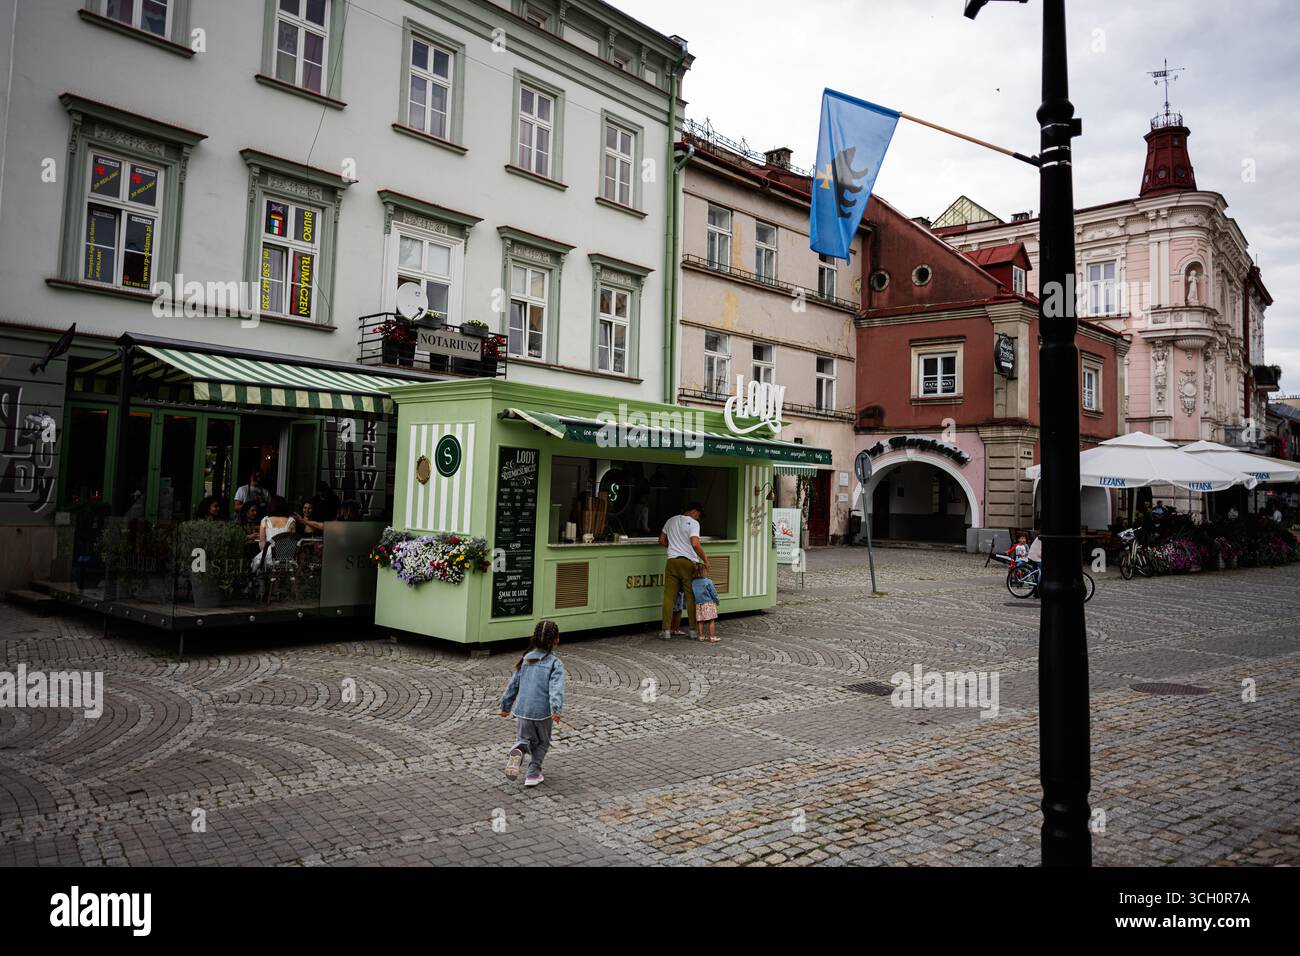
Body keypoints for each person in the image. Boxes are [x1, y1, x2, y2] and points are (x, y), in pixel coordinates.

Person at [498, 619, 566, 788]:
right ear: (555, 640)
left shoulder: (526, 658)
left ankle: (519, 750)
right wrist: (556, 710)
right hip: (543, 713)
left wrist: (505, 706)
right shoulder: (554, 663)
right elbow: (555, 688)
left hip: (523, 710)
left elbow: (513, 684)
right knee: (542, 742)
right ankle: (533, 773)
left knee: (524, 738)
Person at [658, 502, 707, 640]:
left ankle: (666, 631)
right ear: (694, 511)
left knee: (669, 597)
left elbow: (661, 540)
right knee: (690, 597)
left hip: (672, 561)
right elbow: (695, 543)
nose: (698, 518)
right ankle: (693, 631)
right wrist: (705, 559)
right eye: (698, 515)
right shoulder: (694, 524)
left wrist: (672, 547)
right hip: (688, 563)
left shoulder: (671, 520)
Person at [250, 496, 296, 571]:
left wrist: (265, 552)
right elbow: (293, 542)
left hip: (269, 558)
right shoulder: (291, 521)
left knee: (256, 564)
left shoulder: (265, 520)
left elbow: (262, 543)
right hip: (287, 558)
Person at [691, 563, 722, 644]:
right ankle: (712, 637)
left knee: (700, 621)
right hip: (708, 603)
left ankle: (701, 636)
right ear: (704, 571)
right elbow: (713, 593)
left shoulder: (693, 582)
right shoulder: (708, 581)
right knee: (711, 620)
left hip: (698, 604)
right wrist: (717, 600)